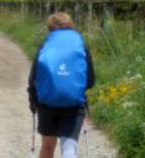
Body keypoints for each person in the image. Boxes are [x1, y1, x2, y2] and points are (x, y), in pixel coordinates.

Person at [27, 12, 95, 158]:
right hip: (73, 105)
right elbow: (90, 80)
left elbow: (33, 78)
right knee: (69, 148)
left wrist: (33, 101)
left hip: (47, 104)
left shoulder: (45, 45)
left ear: (50, 28)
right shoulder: (81, 44)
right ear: (71, 26)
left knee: (48, 146)